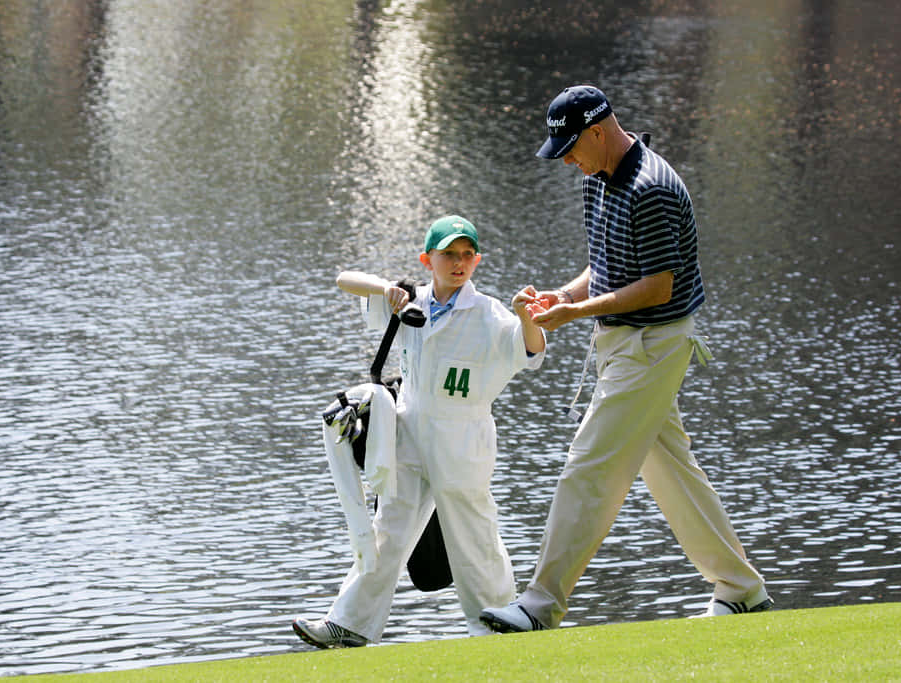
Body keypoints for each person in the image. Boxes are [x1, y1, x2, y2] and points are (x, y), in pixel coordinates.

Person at [479, 86, 772, 633]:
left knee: (588, 467)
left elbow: (658, 287)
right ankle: (742, 590)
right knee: (672, 473)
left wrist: (577, 313)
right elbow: (607, 264)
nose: (567, 160)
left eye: (570, 148)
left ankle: (540, 605)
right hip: (621, 345)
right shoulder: (598, 179)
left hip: (652, 345)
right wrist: (566, 298)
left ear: (596, 131)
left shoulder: (652, 188)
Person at [293, 215, 546, 647]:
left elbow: (531, 352)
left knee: (473, 531)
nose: (459, 262)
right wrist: (383, 289)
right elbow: (343, 278)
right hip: (409, 428)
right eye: (449, 254)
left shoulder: (487, 312)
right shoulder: (409, 302)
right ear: (428, 259)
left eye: (467, 254)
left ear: (477, 260)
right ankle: (349, 624)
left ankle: (496, 624)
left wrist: (526, 316)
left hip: (462, 434)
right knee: (388, 527)